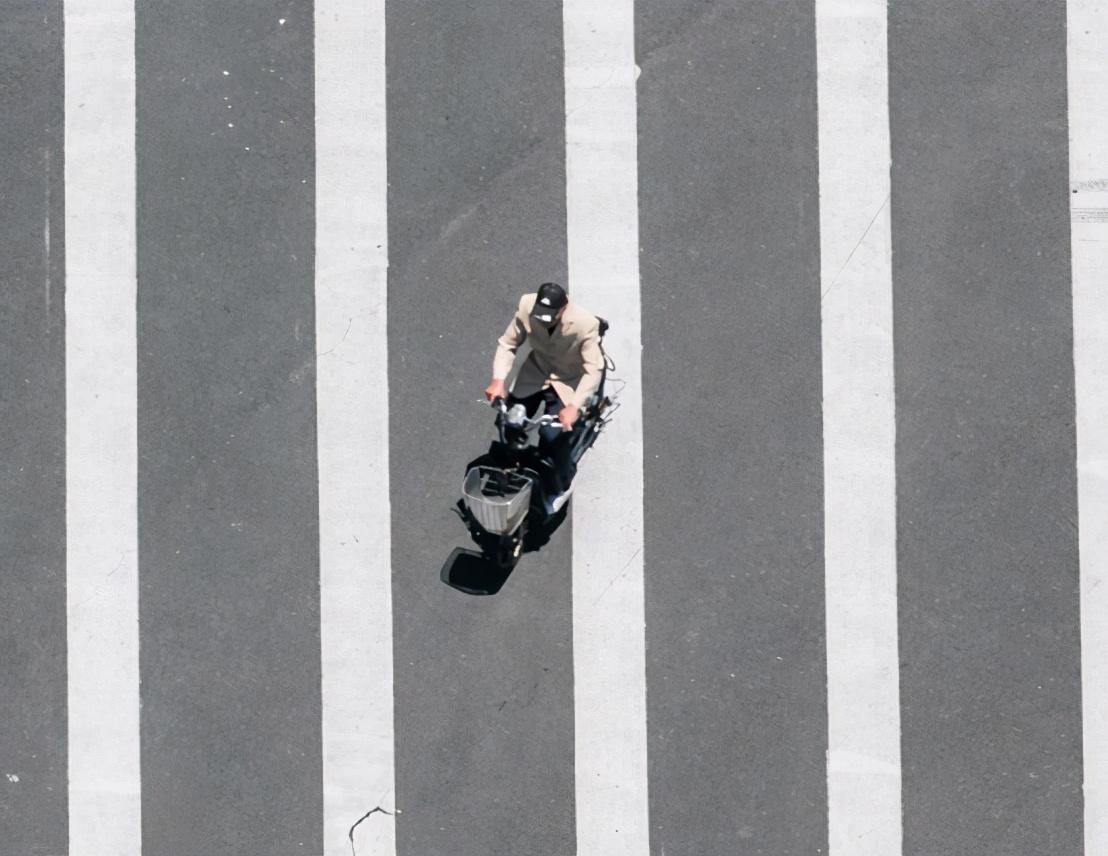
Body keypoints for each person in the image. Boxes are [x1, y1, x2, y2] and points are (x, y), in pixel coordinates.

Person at [484, 282, 605, 509]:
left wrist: (574, 406)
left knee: (552, 437)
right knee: (509, 422)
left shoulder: (585, 324)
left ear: (563, 309)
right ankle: (513, 468)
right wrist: (498, 380)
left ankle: (560, 482)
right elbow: (508, 343)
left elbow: (593, 370)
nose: (543, 320)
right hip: (537, 371)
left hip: (569, 378)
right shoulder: (527, 306)